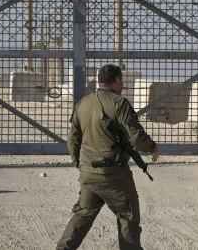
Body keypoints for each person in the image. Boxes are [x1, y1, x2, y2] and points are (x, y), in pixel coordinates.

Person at [55, 64, 159, 250]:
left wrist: (78, 161)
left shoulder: (83, 103)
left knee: (81, 217)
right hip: (115, 176)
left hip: (88, 174)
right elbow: (136, 135)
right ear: (117, 80)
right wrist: (152, 147)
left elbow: (73, 138)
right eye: (122, 81)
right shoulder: (119, 103)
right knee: (128, 218)